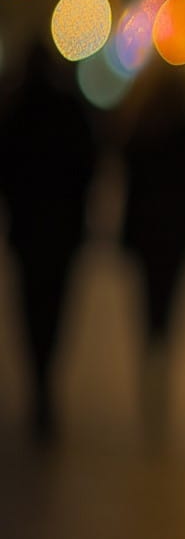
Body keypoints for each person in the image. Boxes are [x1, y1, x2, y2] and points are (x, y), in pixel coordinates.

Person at [0, 39, 98, 447]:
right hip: (62, 232)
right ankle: (45, 380)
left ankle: (38, 380)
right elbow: (88, 165)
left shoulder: (16, 109)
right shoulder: (67, 109)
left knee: (29, 306)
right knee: (54, 306)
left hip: (28, 230)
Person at [113, 59, 185, 446]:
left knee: (147, 304)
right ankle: (160, 362)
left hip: (145, 235)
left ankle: (152, 366)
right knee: (167, 304)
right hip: (175, 236)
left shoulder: (142, 128)